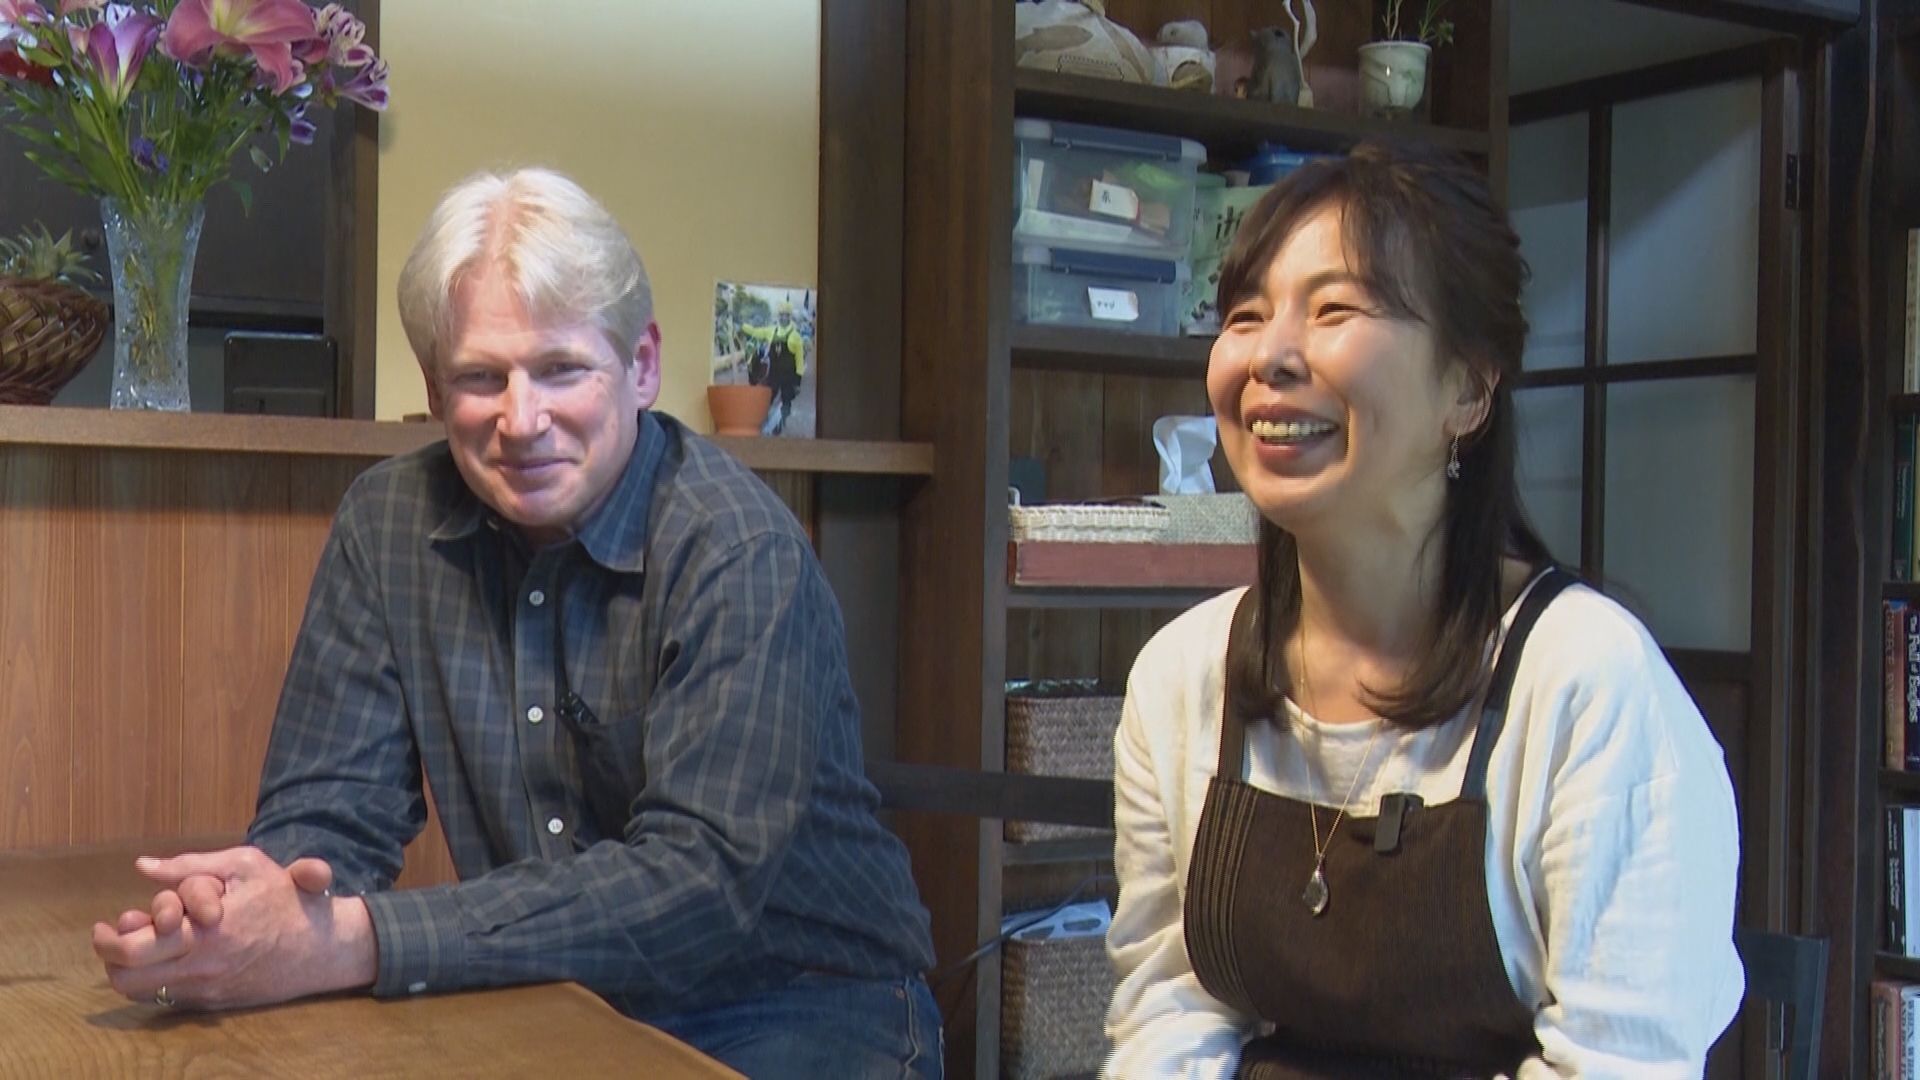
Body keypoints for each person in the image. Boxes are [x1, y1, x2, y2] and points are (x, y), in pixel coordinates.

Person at [88, 167, 941, 1078]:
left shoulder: (738, 548)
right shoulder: (386, 523)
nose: (521, 420)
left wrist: (355, 941)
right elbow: (330, 816)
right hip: (550, 996)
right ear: (433, 386)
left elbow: (699, 888)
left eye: (561, 369)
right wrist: (254, 911)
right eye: (480, 377)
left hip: (801, 999)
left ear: (642, 367)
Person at [1104, 141, 1743, 1077]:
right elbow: (1168, 1018)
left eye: (1334, 310)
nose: (1269, 355)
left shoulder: (1588, 685)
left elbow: (1618, 1063)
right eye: (1244, 316)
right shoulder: (1182, 676)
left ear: (1469, 388)